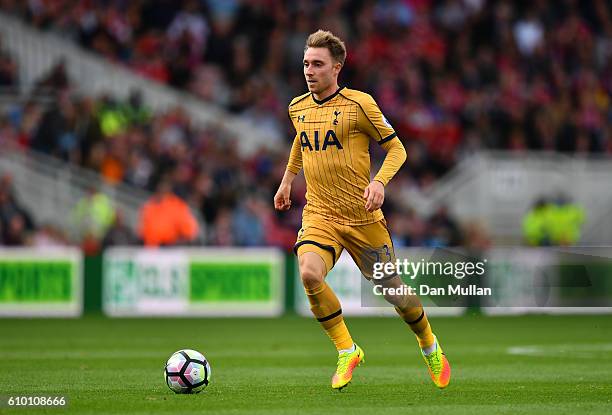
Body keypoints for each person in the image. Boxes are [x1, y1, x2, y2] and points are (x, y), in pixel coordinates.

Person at [274, 30, 450, 390]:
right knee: (309, 274)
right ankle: (346, 349)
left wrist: (380, 182)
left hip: (362, 217)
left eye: (318, 64)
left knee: (393, 290)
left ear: (336, 68)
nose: (309, 70)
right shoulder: (297, 107)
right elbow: (301, 138)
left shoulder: (359, 105)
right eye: (306, 63)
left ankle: (429, 343)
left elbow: (398, 148)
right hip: (320, 213)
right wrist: (287, 179)